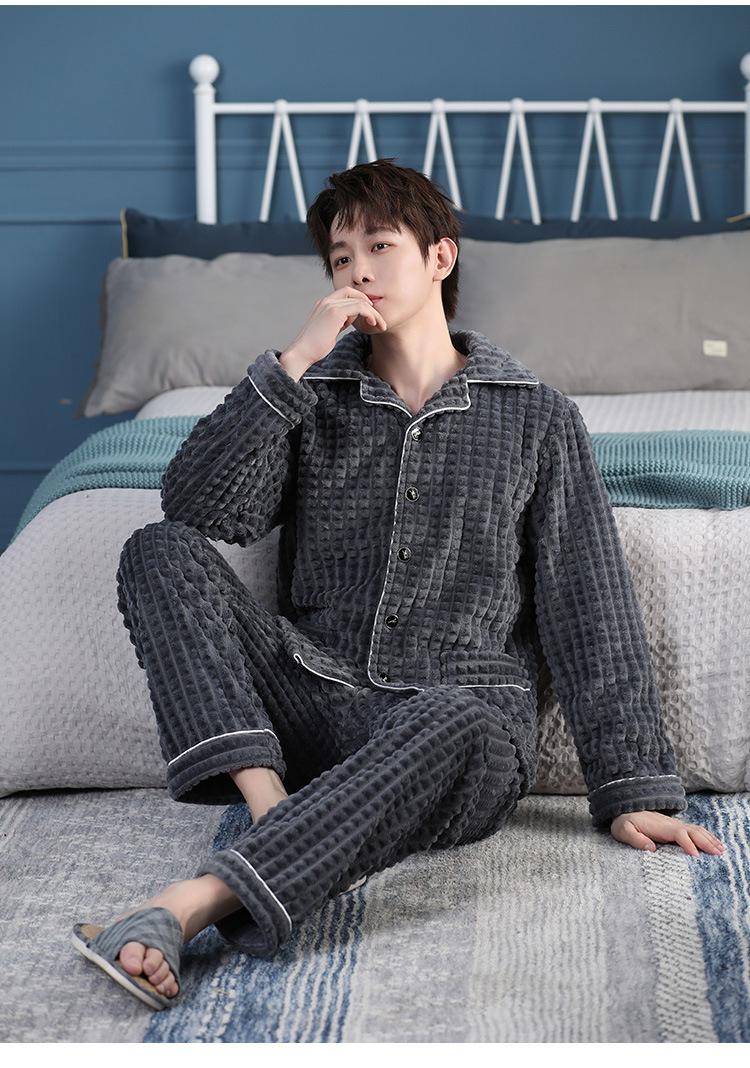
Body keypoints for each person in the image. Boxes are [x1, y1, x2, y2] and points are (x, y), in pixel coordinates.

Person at [72, 159, 723, 1010]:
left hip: (456, 728)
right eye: (341, 258)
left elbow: (589, 604)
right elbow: (199, 508)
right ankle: (276, 814)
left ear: (440, 258)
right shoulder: (310, 395)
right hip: (317, 692)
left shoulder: (537, 416)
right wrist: (293, 363)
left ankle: (188, 903)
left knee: (463, 715)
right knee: (158, 550)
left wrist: (632, 786)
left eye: (380, 246)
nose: (359, 271)